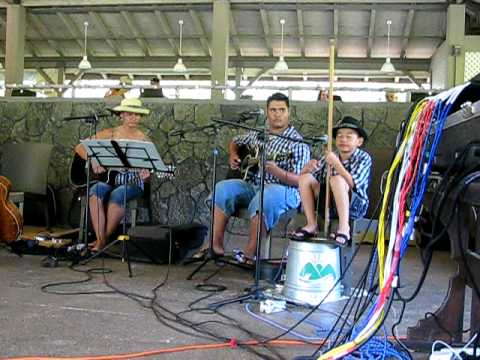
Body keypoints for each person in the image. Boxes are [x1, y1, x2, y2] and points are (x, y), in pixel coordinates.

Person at [196, 92, 311, 264]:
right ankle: (215, 245)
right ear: (267, 112)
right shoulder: (259, 134)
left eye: (281, 110)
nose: (277, 114)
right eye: (273, 110)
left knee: (265, 196)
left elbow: (300, 181)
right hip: (255, 185)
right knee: (222, 188)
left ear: (289, 112)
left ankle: (251, 253)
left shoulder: (297, 143)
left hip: (285, 190)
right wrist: (233, 155)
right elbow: (235, 140)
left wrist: (276, 171)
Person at [74, 98, 151, 251]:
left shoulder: (145, 140)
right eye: (129, 114)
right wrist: (94, 160)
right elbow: (79, 148)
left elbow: (148, 173)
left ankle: (102, 241)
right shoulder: (110, 133)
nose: (134, 118)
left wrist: (146, 176)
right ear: (121, 115)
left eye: (137, 115)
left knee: (118, 194)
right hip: (109, 179)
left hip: (133, 182)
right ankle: (102, 240)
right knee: (95, 193)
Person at [291, 116, 372, 246]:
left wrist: (337, 164)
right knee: (305, 178)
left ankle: (344, 228)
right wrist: (306, 169)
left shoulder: (363, 158)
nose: (343, 139)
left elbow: (354, 184)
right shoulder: (330, 156)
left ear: (359, 141)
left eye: (349, 136)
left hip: (354, 205)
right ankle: (311, 224)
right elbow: (311, 180)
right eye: (340, 136)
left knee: (337, 180)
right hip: (328, 203)